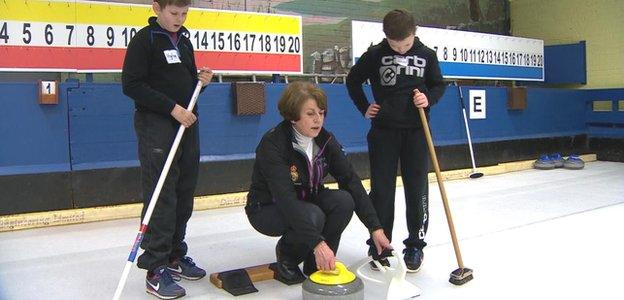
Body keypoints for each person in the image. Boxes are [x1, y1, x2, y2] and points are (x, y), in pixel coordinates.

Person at [245, 81, 392, 284]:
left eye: (321, 113)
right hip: (268, 208)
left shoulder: (325, 141)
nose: (318, 120)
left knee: (343, 201)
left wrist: (375, 227)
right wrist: (318, 243)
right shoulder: (273, 144)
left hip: (307, 201)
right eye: (310, 114)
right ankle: (288, 257)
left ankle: (316, 263)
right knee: (314, 215)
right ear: (292, 116)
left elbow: (351, 181)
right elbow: (286, 198)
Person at [121, 0, 213, 298]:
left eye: (184, 13)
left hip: (187, 123)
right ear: (156, 8)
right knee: (162, 194)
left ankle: (174, 254)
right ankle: (155, 267)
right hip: (157, 124)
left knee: (184, 191)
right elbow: (131, 85)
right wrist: (172, 109)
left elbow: (183, 82)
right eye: (174, 13)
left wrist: (202, 82)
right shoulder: (144, 40)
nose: (179, 18)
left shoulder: (184, 41)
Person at [346, 9, 446, 272]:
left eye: (405, 44)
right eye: (395, 45)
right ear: (385, 38)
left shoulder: (427, 55)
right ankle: (380, 244)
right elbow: (353, 80)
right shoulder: (376, 54)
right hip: (384, 133)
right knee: (381, 191)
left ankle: (415, 244)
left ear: (414, 34)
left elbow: (438, 85)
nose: (401, 50)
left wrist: (428, 99)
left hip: (417, 132)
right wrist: (364, 107)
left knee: (417, 190)